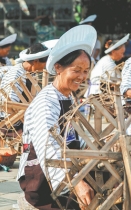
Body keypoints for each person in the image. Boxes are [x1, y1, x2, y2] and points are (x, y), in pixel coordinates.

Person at [17, 25, 96, 209]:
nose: (82, 76)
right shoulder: (46, 102)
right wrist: (76, 183)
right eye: (76, 70)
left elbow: (75, 136)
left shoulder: (69, 97)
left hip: (67, 169)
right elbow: (48, 146)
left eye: (85, 71)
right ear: (58, 67)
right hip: (40, 180)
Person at [0, 40, 58, 128]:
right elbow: (9, 106)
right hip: (11, 122)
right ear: (36, 61)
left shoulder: (27, 72)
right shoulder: (17, 75)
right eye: (44, 63)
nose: (45, 66)